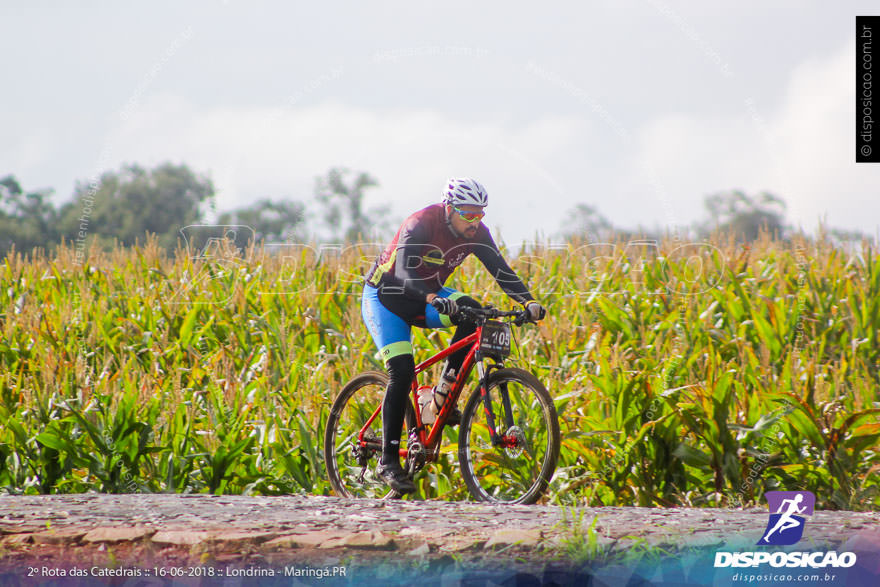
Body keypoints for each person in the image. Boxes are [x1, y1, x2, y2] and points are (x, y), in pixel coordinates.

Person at [361, 177, 546, 494]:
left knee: (473, 312)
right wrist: (432, 298)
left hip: (428, 296)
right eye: (468, 214)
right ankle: (388, 461)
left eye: (480, 214)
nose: (475, 221)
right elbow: (403, 274)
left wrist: (528, 301)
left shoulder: (476, 234)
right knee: (402, 372)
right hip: (386, 298)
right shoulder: (419, 223)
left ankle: (441, 396)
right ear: (449, 208)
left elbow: (500, 270)